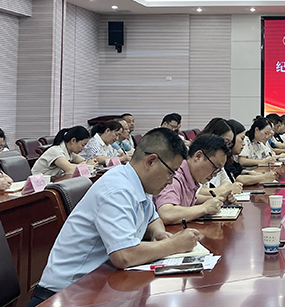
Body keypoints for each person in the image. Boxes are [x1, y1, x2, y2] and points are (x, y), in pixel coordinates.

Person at [27, 129, 202, 307]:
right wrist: (173, 245)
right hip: (65, 295)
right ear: (151, 161)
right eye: (171, 172)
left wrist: (158, 233)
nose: (171, 181)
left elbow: (152, 218)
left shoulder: (140, 182)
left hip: (99, 286)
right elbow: (124, 255)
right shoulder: (117, 189)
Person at [154, 133, 231, 225]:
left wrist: (218, 200)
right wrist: (204, 208)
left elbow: (188, 199)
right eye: (215, 168)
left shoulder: (190, 175)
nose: (215, 175)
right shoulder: (174, 176)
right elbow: (166, 214)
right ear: (198, 156)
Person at [195, 118, 243, 202]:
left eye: (229, 143)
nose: (227, 147)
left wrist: (223, 191)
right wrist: (223, 191)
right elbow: (196, 191)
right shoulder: (198, 158)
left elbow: (227, 181)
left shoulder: (218, 159)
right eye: (225, 142)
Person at [225, 119, 278, 186]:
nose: (243, 143)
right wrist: (264, 177)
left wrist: (254, 173)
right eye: (265, 133)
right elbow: (238, 177)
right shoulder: (247, 140)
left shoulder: (260, 143)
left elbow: (239, 171)